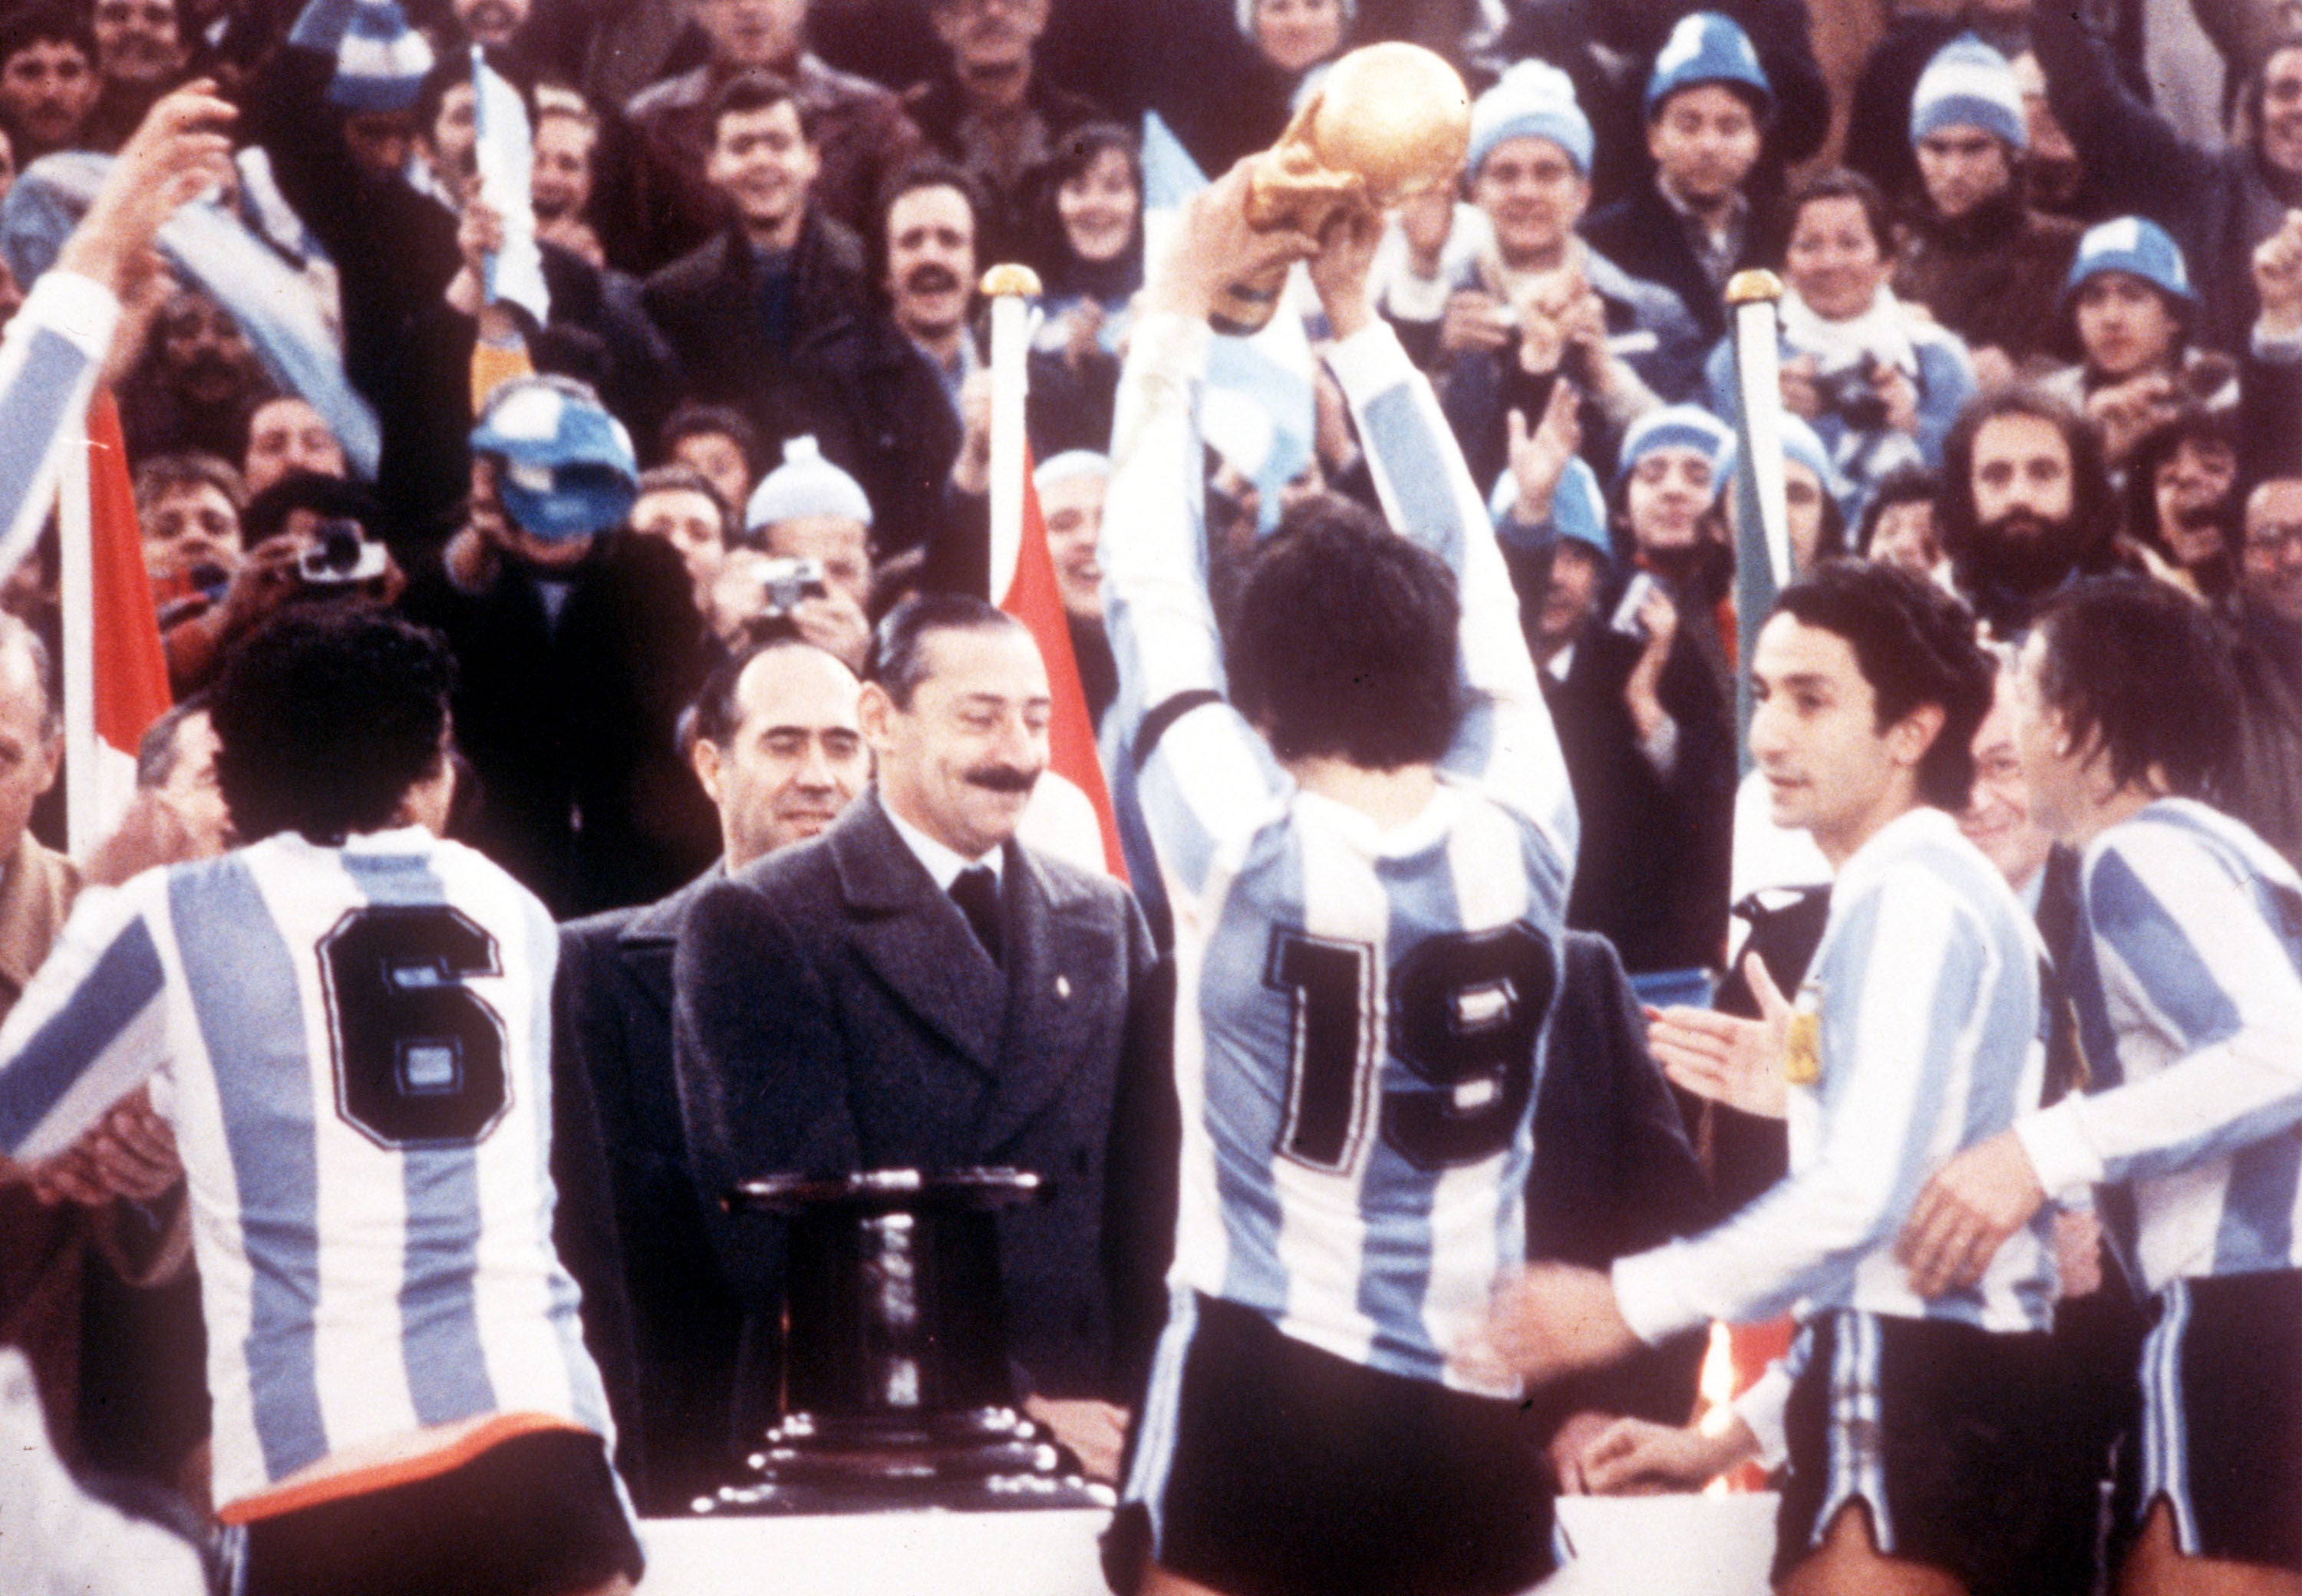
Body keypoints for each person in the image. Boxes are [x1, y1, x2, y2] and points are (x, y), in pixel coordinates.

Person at [1099, 159, 1578, 1596]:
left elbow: (1147, 584)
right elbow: (1474, 570)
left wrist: (1178, 309)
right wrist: (1359, 322)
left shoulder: (1238, 836)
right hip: (1470, 1397)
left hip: (1260, 1368)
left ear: (1265, 699)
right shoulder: (1530, 823)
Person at [1473, 559, 2090, 1596]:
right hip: (1956, 1396)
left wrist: (1621, 1304)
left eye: (1812, 700)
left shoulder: (1911, 899)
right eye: (1762, 696)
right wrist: (1729, 1439)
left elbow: (1861, 1203)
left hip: (1911, 1404)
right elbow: (1909, 1244)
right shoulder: (1935, 895)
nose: (1767, 738)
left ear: (1910, 731)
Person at [0, 610, 641, 1596]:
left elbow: (17, 1114)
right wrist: (166, 1128)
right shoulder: (511, 905)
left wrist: (112, 893)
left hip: (324, 1466)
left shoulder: (175, 915)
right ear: (429, 772)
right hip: (542, 1435)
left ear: (241, 763)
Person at [673, 593, 1162, 1485]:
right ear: (879, 720)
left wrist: (1149, 1408)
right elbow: (790, 1253)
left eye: (1035, 718)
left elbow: (1151, 1211)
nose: (1015, 754)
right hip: (883, 1443)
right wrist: (1017, 1414)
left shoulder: (1104, 917)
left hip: (1105, 1430)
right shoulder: (763, 920)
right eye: (979, 718)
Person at [1898, 575, 2302, 1596]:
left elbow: (2281, 1051)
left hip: (2243, 1321)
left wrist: (2040, 1153)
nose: (2005, 724)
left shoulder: (2137, 851)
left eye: (2021, 695)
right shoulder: (2237, 854)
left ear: (2071, 723)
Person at [556, 636, 869, 1510]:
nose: (819, 775)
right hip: (678, 1465)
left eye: (844, 746)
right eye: (784, 743)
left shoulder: (920, 969)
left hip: (888, 1462)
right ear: (710, 765)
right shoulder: (590, 970)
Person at [398, 376, 718, 915]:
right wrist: (482, 546)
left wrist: (705, 737)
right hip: (497, 857)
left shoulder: (648, 567)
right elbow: (429, 658)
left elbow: (675, 684)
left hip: (633, 856)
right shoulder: (449, 572)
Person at [1412, 60, 1704, 489]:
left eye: (1548, 173)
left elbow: (1702, 464)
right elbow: (1399, 466)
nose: (1526, 192)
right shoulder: (1431, 302)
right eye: (1505, 173)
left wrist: (1608, 378)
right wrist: (1439, 360)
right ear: (1475, 193)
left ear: (1583, 194)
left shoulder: (1654, 313)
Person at [1708, 167, 1975, 513]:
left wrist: (1913, 424)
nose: (1830, 263)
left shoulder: (1938, 356)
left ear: (1887, 263)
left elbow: (1967, 476)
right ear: (1785, 268)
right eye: (1808, 246)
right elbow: (1720, 485)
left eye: (1850, 244)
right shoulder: (1741, 358)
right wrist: (1772, 416)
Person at [622, 0, 926, 269]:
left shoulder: (870, 114)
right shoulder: (652, 122)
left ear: (801, 5)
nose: (748, 8)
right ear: (698, 10)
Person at [1889, 33, 2081, 387]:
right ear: (1917, 151)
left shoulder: (2067, 249)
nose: (1954, 171)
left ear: (2014, 151)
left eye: (1975, 148)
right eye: (1937, 148)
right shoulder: (1893, 251)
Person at [1580, 10, 1780, 345]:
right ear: (1654, 138)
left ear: (1757, 140)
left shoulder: (1784, 235)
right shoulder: (1601, 244)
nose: (1709, 146)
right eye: (1689, 125)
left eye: (1730, 127)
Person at [902, 0, 1104, 262]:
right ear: (942, 21)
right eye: (974, 2)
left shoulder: (1082, 128)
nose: (994, 10)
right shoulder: (908, 129)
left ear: (1041, 13)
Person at [2037, 217, 2235, 473]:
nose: (2111, 318)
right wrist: (2092, 449)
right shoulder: (2048, 404)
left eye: (2132, 296)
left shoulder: (2225, 396)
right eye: (2093, 299)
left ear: (2174, 315)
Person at [1938, 386, 2120, 638]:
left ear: (2080, 486)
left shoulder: (2132, 611)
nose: (2019, 496)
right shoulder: (1936, 614)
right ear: (1967, 491)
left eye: (2043, 473)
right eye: (1996, 476)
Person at [0, 5, 100, 164]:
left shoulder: (123, 174)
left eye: (69, 72)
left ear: (95, 86)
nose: (50, 92)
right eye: (30, 72)